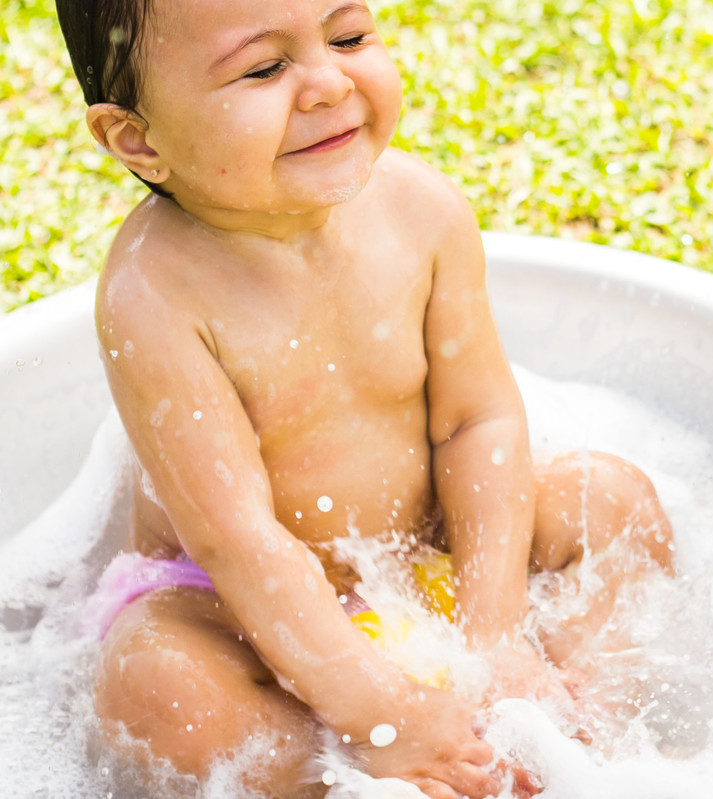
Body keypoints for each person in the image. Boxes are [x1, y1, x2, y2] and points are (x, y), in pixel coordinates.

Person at [54, 0, 675, 796]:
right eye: (263, 68)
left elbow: (476, 421)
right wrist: (377, 712)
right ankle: (355, 780)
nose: (328, 83)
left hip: (423, 548)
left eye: (347, 37)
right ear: (137, 139)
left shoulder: (421, 211)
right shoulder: (156, 291)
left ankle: (583, 742)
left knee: (612, 498)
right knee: (155, 686)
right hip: (238, 612)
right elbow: (236, 539)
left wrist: (493, 633)